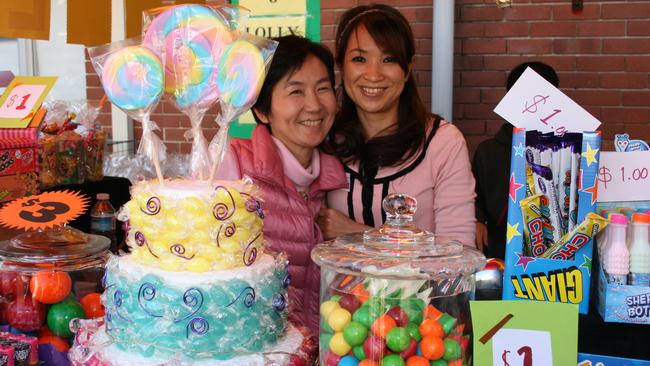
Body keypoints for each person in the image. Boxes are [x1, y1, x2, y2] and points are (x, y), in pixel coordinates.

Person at [216, 35, 347, 334]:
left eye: (323, 88)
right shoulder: (234, 167)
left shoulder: (337, 179)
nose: (314, 105)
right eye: (296, 91)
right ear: (262, 110)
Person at [319, 4, 476, 246]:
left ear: (407, 68)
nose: (373, 74)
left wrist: (360, 234)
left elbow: (457, 251)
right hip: (335, 285)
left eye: (389, 59)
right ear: (341, 65)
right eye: (359, 59)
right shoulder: (324, 138)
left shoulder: (442, 141)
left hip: (422, 285)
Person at [472, 61, 559, 259]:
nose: (535, 105)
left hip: (552, 247)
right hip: (499, 248)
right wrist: (476, 220)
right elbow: (473, 195)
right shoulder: (489, 151)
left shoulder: (565, 151)